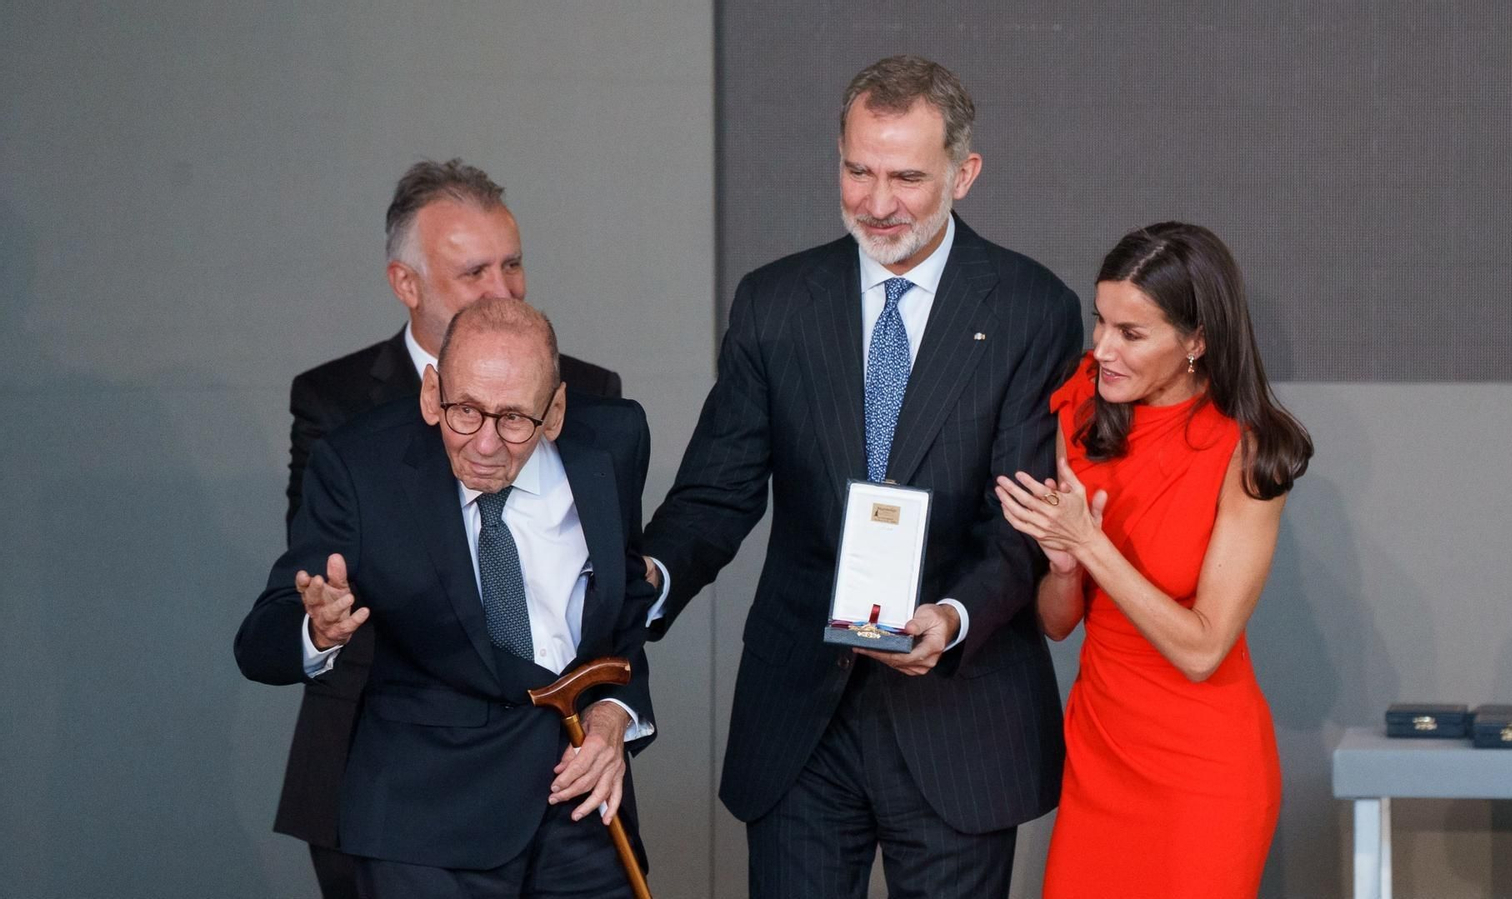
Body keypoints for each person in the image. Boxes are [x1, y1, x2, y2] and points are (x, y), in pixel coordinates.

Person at [640, 55, 1082, 898]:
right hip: (800, 716)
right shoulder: (775, 302)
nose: (878, 204)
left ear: (965, 173)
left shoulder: (1032, 309)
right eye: (858, 170)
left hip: (959, 713)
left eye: (908, 177)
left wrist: (952, 618)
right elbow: (716, 489)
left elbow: (1024, 520)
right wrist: (647, 581)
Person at [278, 159, 621, 897]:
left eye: (513, 264)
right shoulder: (339, 405)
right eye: (474, 273)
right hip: (400, 796)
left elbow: (602, 599)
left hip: (559, 791)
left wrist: (617, 713)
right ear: (408, 284)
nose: (502, 289)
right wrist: (321, 623)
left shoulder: (591, 398)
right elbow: (309, 587)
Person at [237, 298, 657, 898]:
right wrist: (315, 629)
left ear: (555, 410)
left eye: (514, 420)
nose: (485, 444)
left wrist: (616, 713)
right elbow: (259, 641)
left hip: (579, 801)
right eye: (465, 411)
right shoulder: (360, 466)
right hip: (425, 822)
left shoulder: (612, 441)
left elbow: (625, 600)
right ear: (431, 394)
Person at [995, 222, 1313, 897]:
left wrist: (1091, 545)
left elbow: (1202, 649)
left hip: (1203, 773)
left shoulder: (1249, 451)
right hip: (1100, 754)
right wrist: (1062, 567)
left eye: (1132, 333)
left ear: (1197, 341)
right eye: (1100, 321)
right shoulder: (1081, 404)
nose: (1102, 349)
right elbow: (1058, 624)